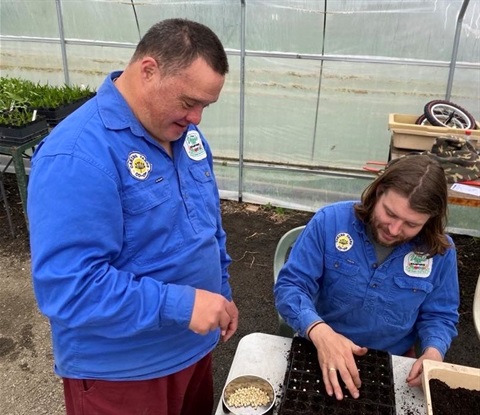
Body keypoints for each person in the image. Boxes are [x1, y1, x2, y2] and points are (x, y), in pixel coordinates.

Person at [27, 18, 238, 415]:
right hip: (125, 373)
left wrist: (221, 288)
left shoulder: (184, 135)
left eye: (205, 106)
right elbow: (68, 287)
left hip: (193, 350)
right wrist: (181, 305)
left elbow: (209, 225)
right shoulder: (77, 155)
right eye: (190, 102)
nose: (197, 119)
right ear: (148, 71)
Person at [274, 154, 459, 401]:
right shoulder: (330, 222)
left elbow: (440, 314)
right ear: (379, 191)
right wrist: (320, 332)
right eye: (390, 213)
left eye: (411, 224)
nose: (394, 230)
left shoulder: (440, 252)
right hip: (319, 344)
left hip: (392, 362)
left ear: (430, 219)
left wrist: (434, 352)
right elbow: (290, 286)